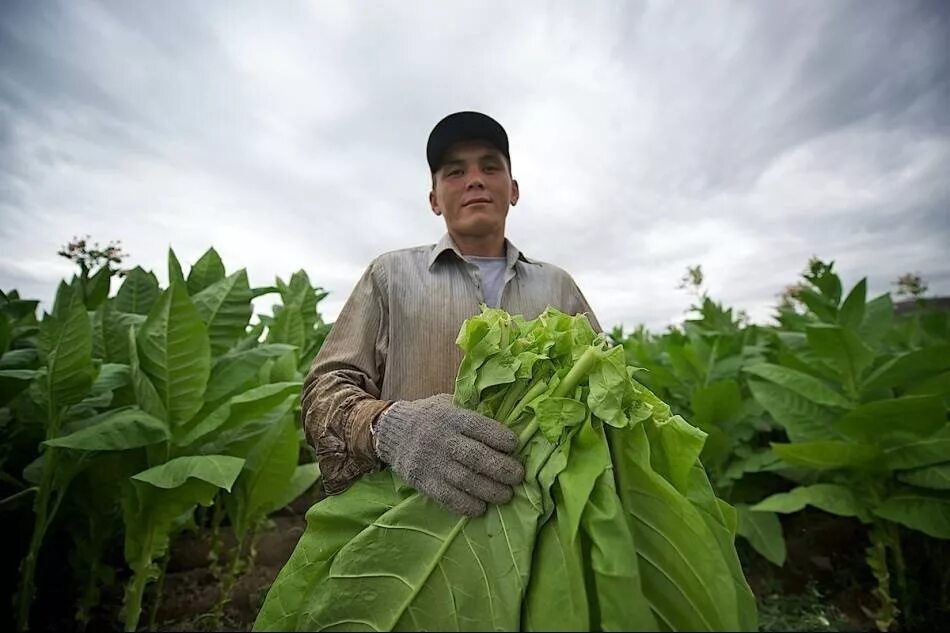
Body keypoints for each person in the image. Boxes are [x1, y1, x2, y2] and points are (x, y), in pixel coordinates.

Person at [302, 111, 601, 517]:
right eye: (455, 172)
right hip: (409, 526)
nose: (475, 179)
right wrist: (389, 427)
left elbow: (605, 394)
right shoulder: (390, 276)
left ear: (513, 190)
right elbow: (323, 391)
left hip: (546, 529)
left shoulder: (558, 286)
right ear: (434, 199)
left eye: (490, 167)